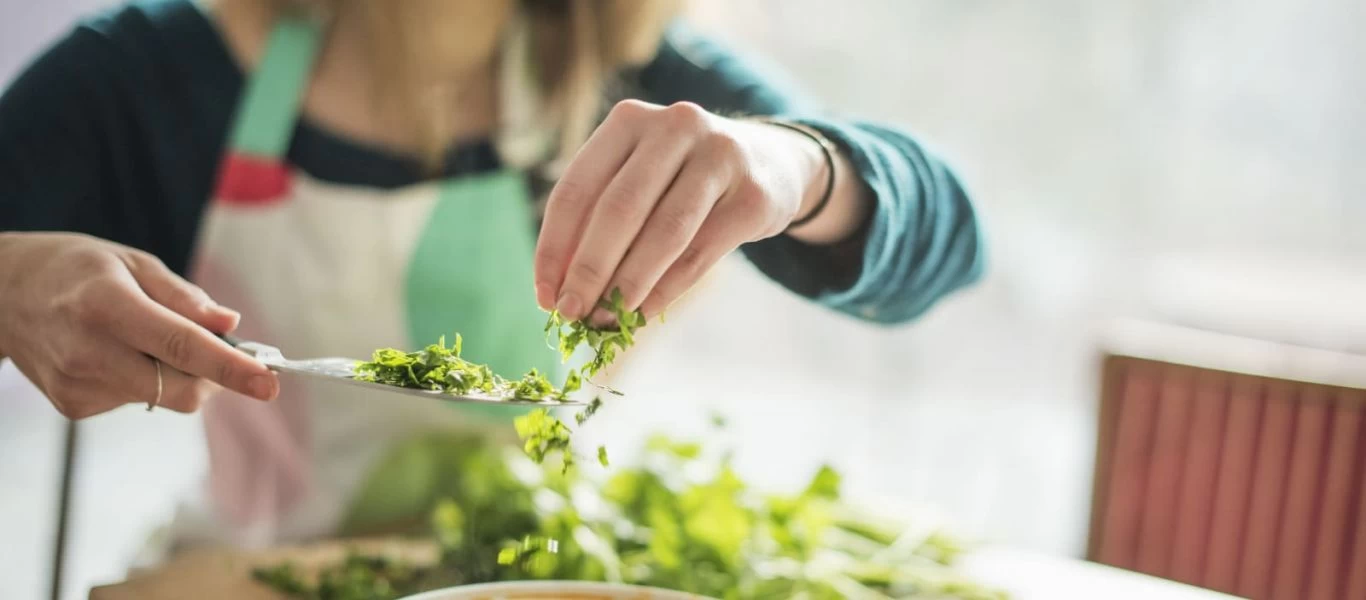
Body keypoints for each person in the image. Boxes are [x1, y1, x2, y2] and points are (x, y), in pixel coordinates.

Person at [0, 0, 985, 550]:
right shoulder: (153, 74)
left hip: (528, 566)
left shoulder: (637, 75)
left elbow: (953, 242)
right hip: (251, 575)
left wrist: (801, 167)